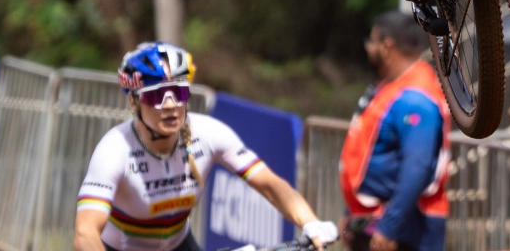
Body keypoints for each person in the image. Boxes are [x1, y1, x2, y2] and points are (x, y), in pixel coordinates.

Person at [76, 42, 336, 251]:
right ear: (134, 103)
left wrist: (310, 222)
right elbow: (85, 233)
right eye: (156, 95)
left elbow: (270, 184)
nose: (170, 105)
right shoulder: (115, 149)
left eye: (178, 93)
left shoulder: (207, 133)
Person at [340, 12, 449, 251]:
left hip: (404, 229)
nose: (368, 48)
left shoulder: (416, 97)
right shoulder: (390, 85)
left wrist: (390, 226)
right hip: (374, 220)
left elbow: (417, 166)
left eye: (372, 41)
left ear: (387, 47)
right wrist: (353, 213)